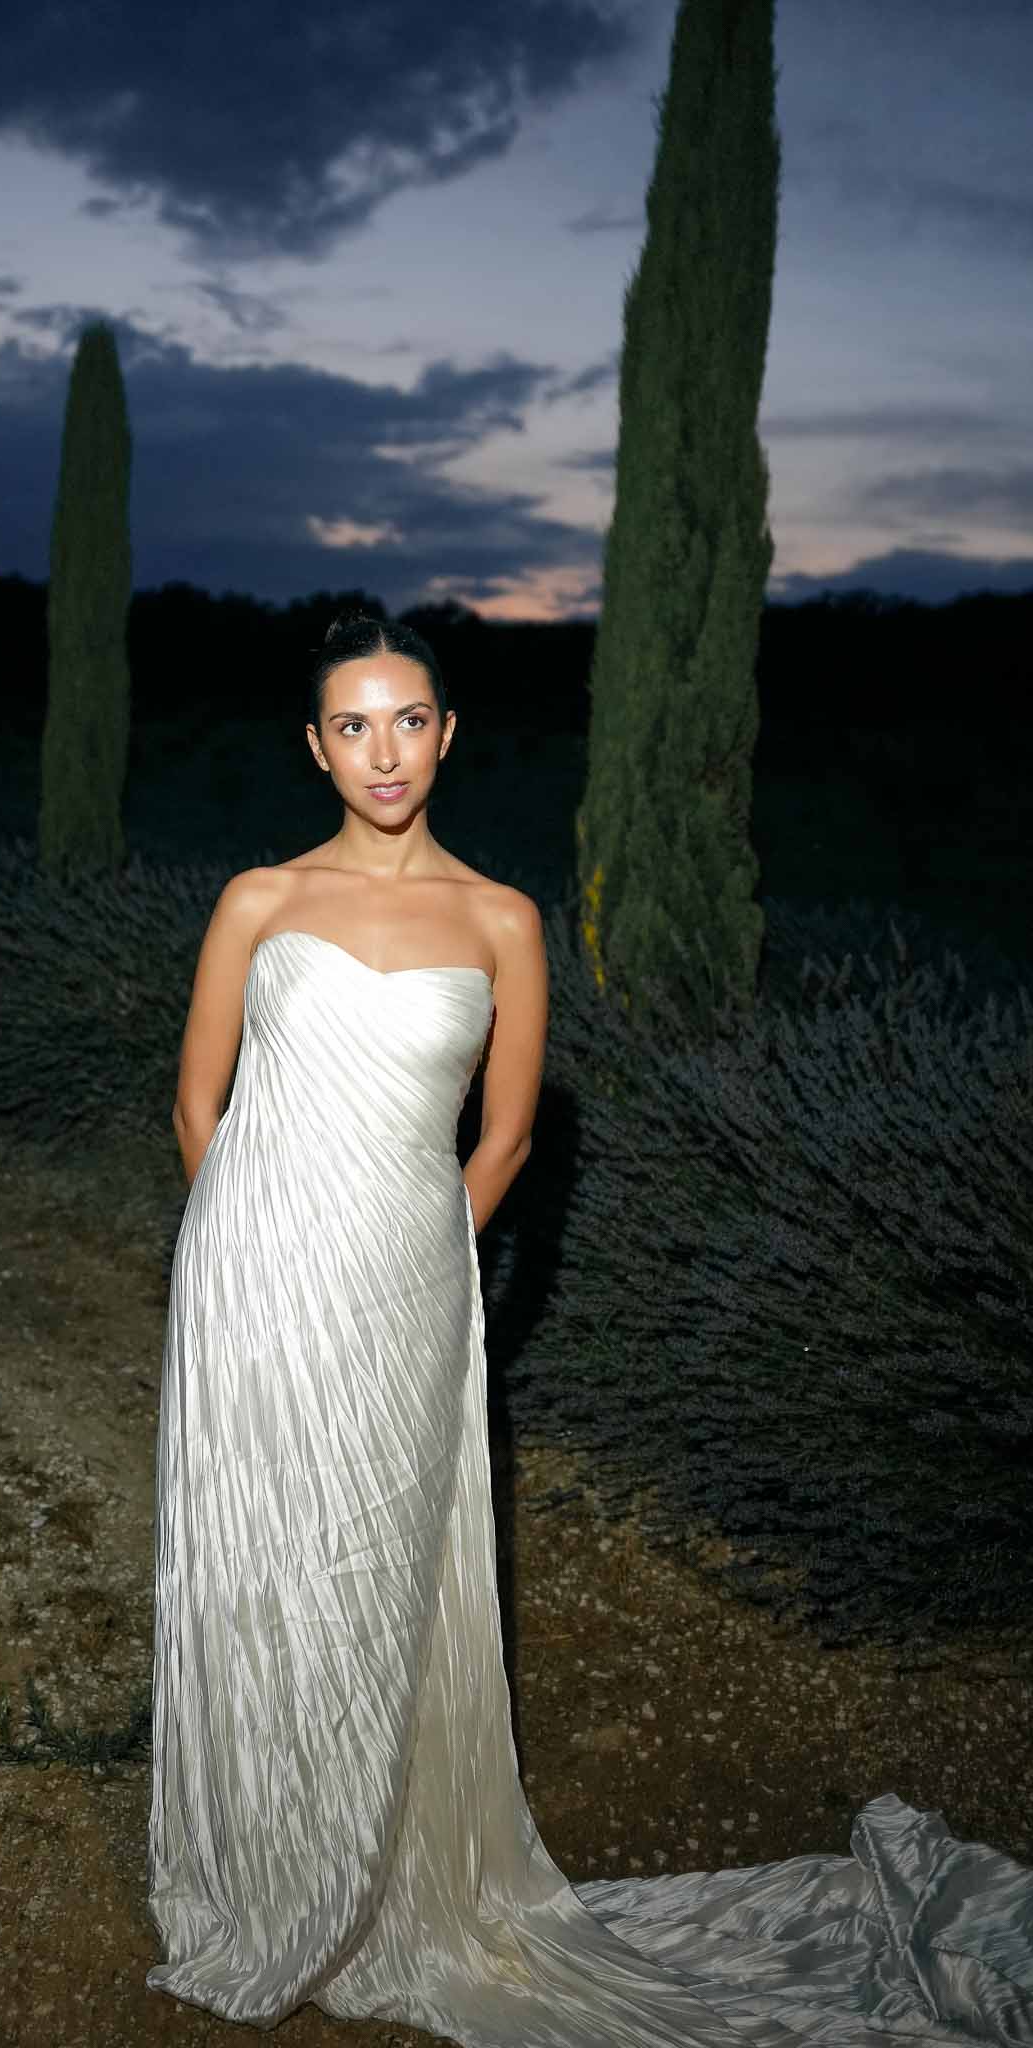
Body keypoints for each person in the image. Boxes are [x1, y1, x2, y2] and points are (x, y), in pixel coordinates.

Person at [145, 612, 1032, 2046]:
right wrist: (249, 1258)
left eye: (410, 719)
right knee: (260, 1558)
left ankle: (381, 1875)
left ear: (449, 733)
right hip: (248, 1279)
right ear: (315, 745)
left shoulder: (501, 920)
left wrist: (416, 1251)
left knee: (381, 1559)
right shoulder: (258, 899)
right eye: (354, 725)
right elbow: (200, 1105)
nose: (384, 751)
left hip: (408, 1282)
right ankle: (262, 1865)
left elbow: (502, 1141)